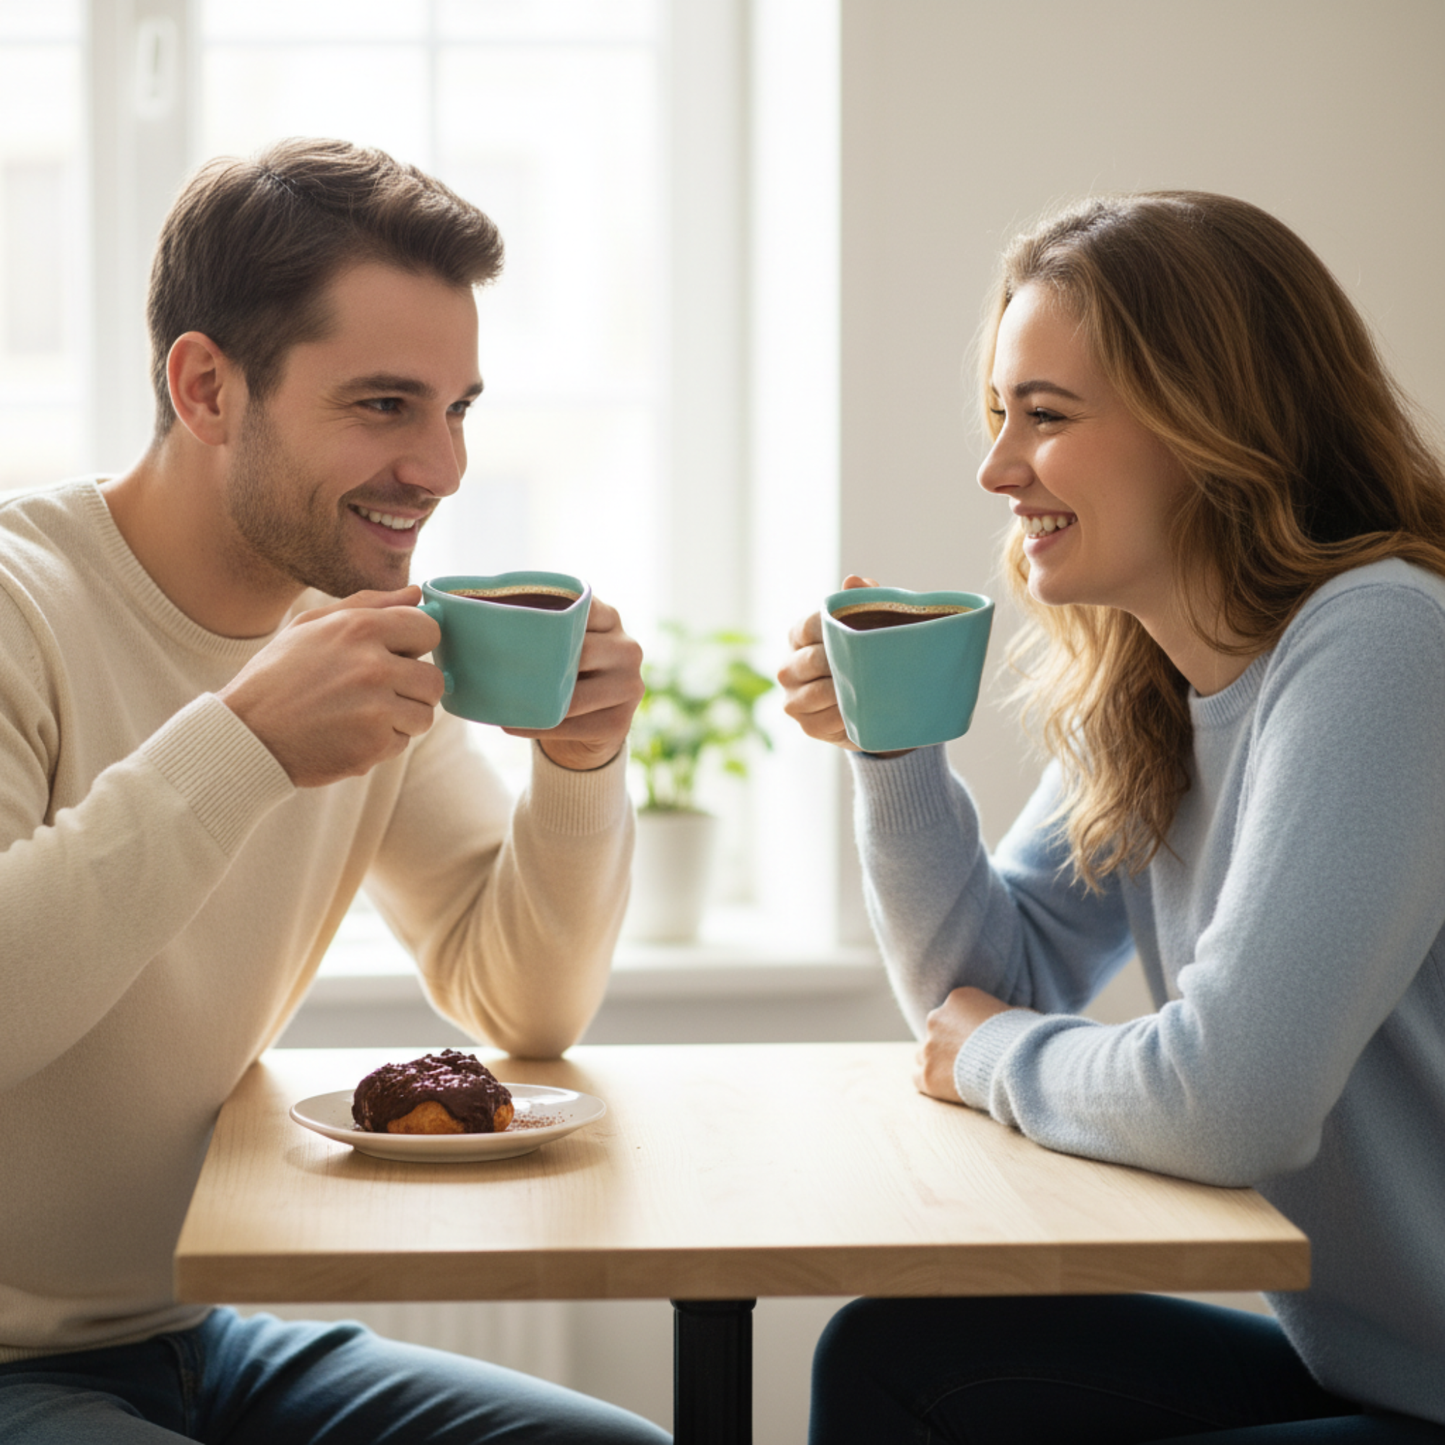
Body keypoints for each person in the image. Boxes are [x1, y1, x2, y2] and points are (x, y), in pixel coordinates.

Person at [0, 138, 668, 1443]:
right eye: (383, 405)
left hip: (196, 1332)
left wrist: (577, 774)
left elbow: (520, 1000)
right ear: (205, 386)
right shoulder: (23, 607)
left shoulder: (351, 631)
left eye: (457, 407)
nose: (442, 467)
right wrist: (241, 745)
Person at [779, 191, 1445, 1442]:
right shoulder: (1152, 679)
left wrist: (990, 1056)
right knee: (899, 1352)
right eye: (997, 414)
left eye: (1044, 415)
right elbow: (978, 983)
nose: (994, 468)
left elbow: (1229, 1098)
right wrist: (894, 743)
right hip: (1374, 1371)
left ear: (1210, 423)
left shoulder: (1381, 640)